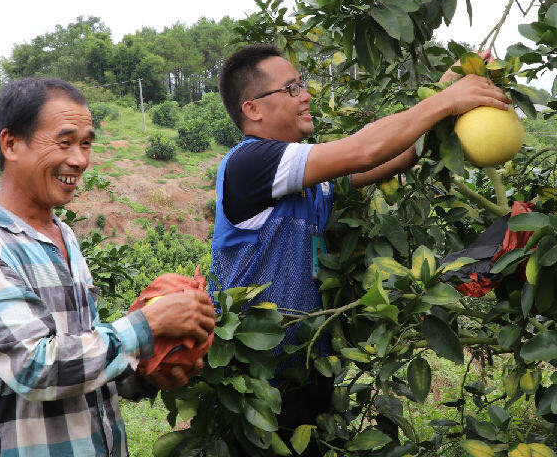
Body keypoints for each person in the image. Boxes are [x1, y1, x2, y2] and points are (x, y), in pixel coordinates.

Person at [211, 44, 509, 452]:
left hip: (305, 368)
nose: (306, 95)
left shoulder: (308, 181)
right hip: (251, 385)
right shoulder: (250, 162)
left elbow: (397, 155)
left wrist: (448, 85)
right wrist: (445, 101)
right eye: (292, 88)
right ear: (254, 110)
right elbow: (362, 149)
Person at [0, 78, 215, 457]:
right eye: (64, 142)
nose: (80, 159)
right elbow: (36, 368)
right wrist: (147, 327)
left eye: (86, 143)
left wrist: (147, 373)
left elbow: (81, 363)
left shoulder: (63, 236)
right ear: (11, 144)